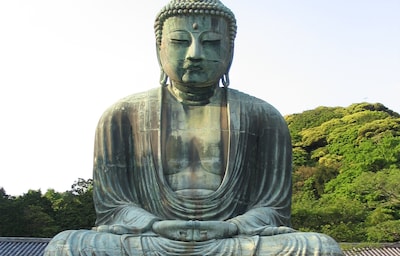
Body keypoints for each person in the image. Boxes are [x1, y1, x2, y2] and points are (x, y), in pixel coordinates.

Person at [44, 0, 344, 255]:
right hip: (151, 239)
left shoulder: (263, 117)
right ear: (158, 48)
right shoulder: (122, 115)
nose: (195, 53)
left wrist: (232, 226)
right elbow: (113, 206)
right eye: (179, 41)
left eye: (211, 42)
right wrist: (153, 224)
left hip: (233, 240)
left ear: (230, 51)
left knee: (319, 248)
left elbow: (273, 209)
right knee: (66, 246)